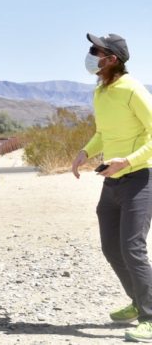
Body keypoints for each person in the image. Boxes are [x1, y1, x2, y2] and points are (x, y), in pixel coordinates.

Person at [72, 33, 152, 342]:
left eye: (96, 50)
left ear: (112, 59)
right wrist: (85, 152)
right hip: (112, 179)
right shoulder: (102, 92)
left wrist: (128, 161)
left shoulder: (132, 90)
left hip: (141, 178)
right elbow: (104, 132)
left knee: (132, 247)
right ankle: (139, 302)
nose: (90, 55)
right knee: (111, 247)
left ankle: (149, 315)